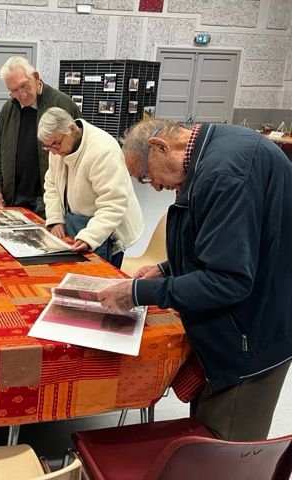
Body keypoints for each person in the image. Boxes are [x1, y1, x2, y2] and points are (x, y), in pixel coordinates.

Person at [97, 119, 292, 441]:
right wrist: (168, 268)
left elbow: (228, 280)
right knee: (208, 434)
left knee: (225, 448)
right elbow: (227, 246)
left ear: (160, 147)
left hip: (250, 336)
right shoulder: (215, 150)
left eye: (147, 177)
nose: (155, 187)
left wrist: (138, 292)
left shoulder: (223, 175)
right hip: (247, 321)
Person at [38, 107, 143, 268]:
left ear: (71, 129)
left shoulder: (103, 151)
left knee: (101, 279)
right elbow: (51, 185)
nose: (53, 152)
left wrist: (91, 237)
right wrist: (55, 218)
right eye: (47, 147)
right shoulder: (57, 149)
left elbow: (113, 204)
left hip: (109, 232)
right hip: (78, 222)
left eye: (56, 144)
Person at [0, 56, 80, 218]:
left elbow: (77, 155)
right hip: (13, 198)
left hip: (49, 201)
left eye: (24, 86)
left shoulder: (63, 105)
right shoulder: (8, 110)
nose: (22, 95)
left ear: (36, 77)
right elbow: (0, 153)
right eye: (14, 91)